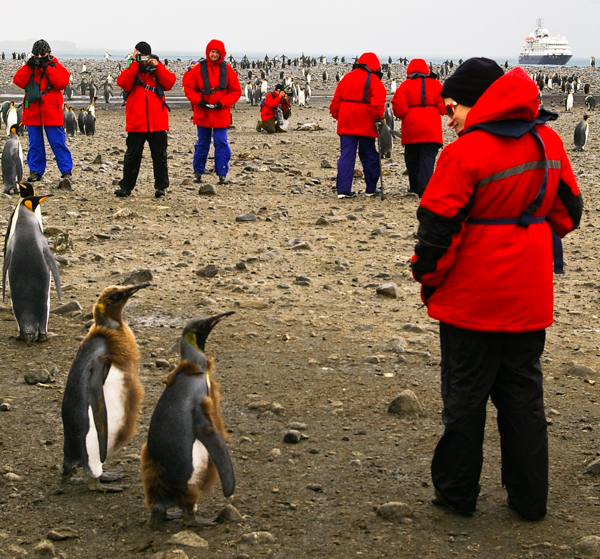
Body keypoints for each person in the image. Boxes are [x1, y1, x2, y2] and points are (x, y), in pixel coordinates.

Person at [410, 58, 583, 521]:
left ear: (479, 102)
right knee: (523, 397)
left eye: (453, 106)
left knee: (464, 398)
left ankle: (457, 493)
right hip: (528, 296)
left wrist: (426, 277)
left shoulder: (464, 153)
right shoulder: (547, 139)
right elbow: (569, 213)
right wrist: (523, 235)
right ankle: (529, 502)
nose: (448, 115)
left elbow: (436, 233)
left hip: (472, 300)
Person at [115, 41, 176, 198]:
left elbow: (170, 83)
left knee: (160, 156)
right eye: (140, 56)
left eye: (145, 57)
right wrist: (134, 65)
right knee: (132, 156)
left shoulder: (156, 71)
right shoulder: (131, 70)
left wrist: (158, 66)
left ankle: (161, 187)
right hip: (137, 122)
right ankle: (126, 186)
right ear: (135, 55)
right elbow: (123, 83)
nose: (143, 60)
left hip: (157, 122)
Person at [13, 39, 73, 189]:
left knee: (58, 143)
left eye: (42, 54)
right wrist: (28, 66)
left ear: (49, 53)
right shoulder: (30, 67)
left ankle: (66, 171)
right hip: (33, 112)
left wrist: (47, 68)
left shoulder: (56, 66)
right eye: (36, 54)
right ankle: (35, 171)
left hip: (51, 111)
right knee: (35, 144)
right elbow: (18, 80)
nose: (39, 57)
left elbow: (62, 82)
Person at [182, 39, 241, 188]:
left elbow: (236, 91)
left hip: (220, 112)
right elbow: (188, 87)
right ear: (208, 52)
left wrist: (223, 103)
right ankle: (198, 172)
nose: (214, 55)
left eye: (217, 52)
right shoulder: (198, 69)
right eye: (212, 52)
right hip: (203, 112)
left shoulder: (228, 70)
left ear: (221, 54)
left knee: (221, 142)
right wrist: (199, 101)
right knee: (202, 143)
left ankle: (222, 173)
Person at [329, 52, 386, 198]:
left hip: (347, 122)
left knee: (346, 155)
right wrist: (378, 118)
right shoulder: (373, 79)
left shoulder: (347, 77)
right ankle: (371, 188)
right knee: (369, 155)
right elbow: (378, 102)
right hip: (365, 123)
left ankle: (343, 190)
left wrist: (339, 116)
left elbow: (335, 102)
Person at [391, 58, 445, 197]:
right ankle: (425, 188)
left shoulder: (405, 86)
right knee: (428, 158)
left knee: (412, 158)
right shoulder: (437, 84)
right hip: (432, 129)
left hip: (412, 129)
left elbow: (399, 110)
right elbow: (444, 108)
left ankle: (414, 187)